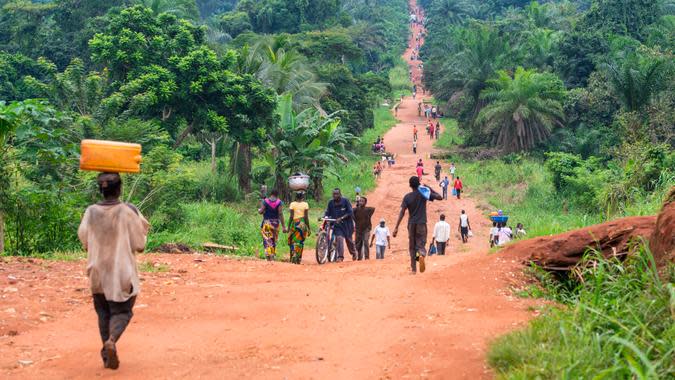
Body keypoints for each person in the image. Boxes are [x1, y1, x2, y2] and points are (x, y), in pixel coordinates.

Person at [78, 173, 150, 370]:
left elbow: (84, 240)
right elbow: (140, 244)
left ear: (101, 190)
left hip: (97, 272)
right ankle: (111, 341)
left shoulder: (90, 212)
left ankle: (106, 354)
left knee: (103, 312)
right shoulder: (128, 212)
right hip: (121, 273)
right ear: (120, 189)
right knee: (123, 311)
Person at [393, 176, 442, 274]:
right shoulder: (423, 194)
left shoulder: (407, 197)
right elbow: (439, 197)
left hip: (411, 224)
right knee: (420, 244)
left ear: (410, 185)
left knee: (412, 247)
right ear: (419, 184)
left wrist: (396, 227)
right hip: (421, 223)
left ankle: (414, 269)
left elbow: (402, 212)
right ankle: (421, 255)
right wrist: (429, 188)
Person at [324, 188, 356, 261]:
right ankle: (340, 257)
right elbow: (327, 212)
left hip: (347, 224)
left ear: (340, 194)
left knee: (349, 240)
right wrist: (325, 217)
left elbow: (350, 212)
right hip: (337, 225)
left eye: (336, 194)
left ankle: (354, 252)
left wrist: (341, 218)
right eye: (334, 194)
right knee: (339, 238)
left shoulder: (345, 201)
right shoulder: (330, 202)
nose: (335, 195)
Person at [258, 190, 286, 261]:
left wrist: (259, 210)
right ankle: (272, 256)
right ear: (277, 194)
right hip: (276, 224)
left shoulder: (266, 201)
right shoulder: (279, 202)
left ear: (271, 194)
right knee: (273, 240)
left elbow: (261, 211)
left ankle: (269, 257)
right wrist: (283, 226)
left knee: (267, 240)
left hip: (267, 223)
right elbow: (280, 214)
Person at [287, 191, 311, 264]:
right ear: (303, 197)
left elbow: (291, 217)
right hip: (302, 224)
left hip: (295, 224)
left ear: (296, 197)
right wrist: (309, 228)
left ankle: (292, 257)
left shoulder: (292, 204)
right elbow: (306, 217)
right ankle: (298, 258)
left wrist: (288, 227)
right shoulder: (305, 204)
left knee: (292, 241)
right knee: (300, 242)